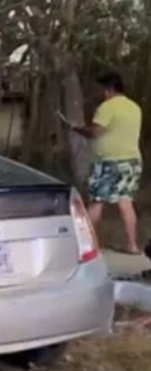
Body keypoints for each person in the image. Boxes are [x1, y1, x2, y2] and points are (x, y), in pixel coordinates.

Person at [73, 71, 144, 254]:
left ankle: (89, 245)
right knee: (125, 202)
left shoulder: (107, 107)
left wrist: (78, 129)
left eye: (101, 89)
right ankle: (132, 245)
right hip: (131, 161)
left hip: (108, 162)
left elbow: (95, 132)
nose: (99, 93)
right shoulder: (134, 107)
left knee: (97, 201)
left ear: (109, 89)